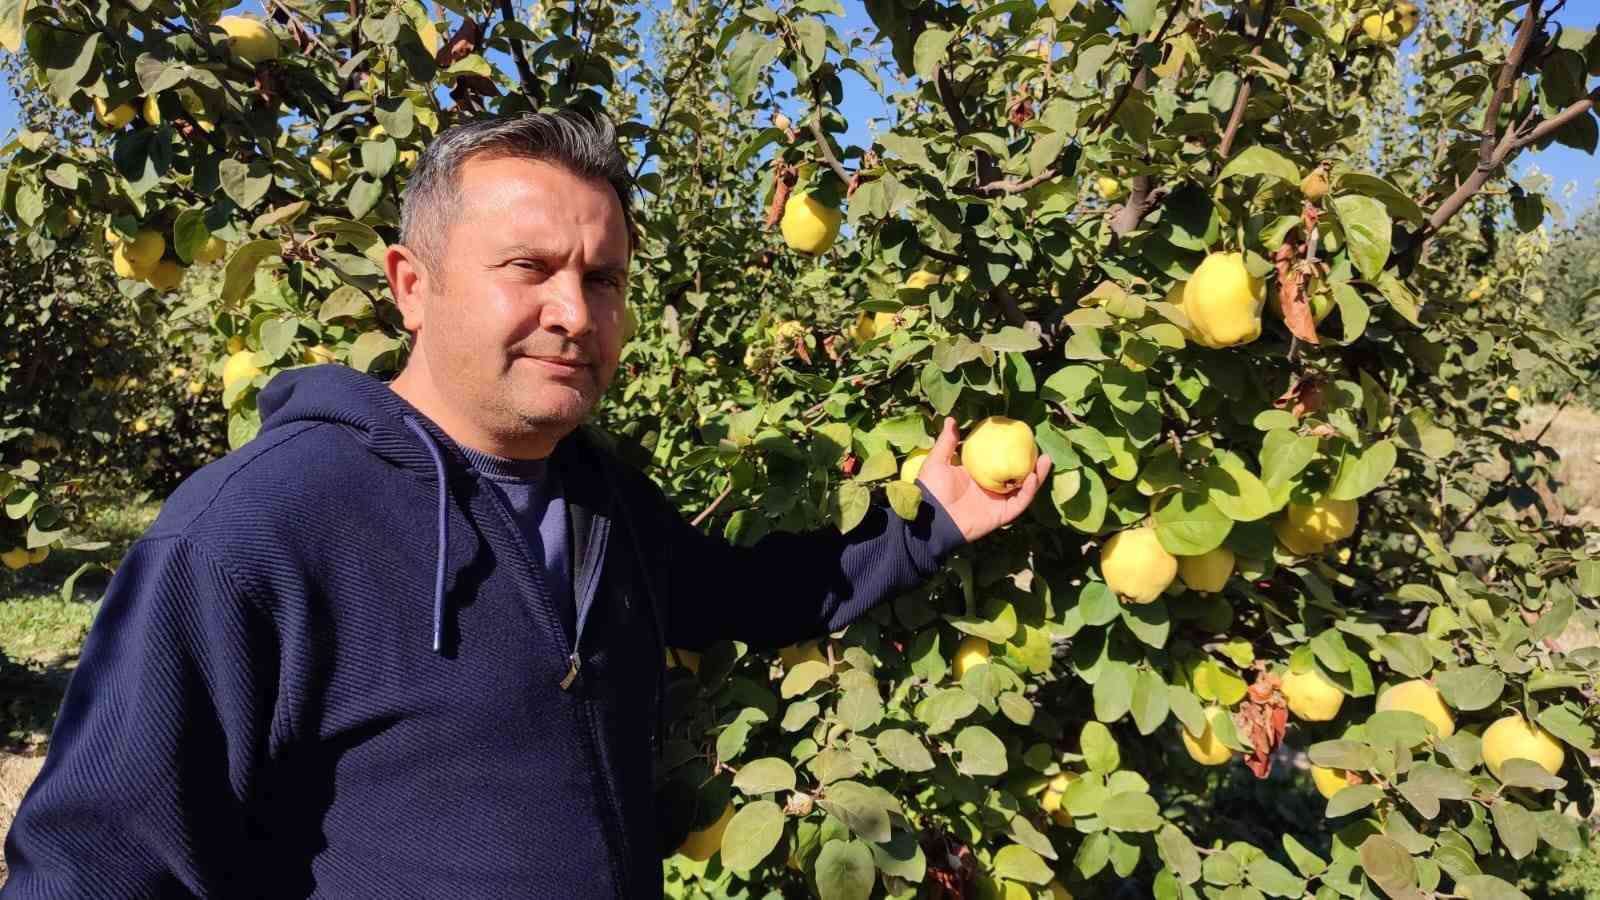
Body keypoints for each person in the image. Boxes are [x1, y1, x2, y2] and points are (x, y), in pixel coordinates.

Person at [1, 111, 1051, 898]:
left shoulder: (595, 496)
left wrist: (934, 524)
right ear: (412, 284)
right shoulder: (257, 531)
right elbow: (96, 860)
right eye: (529, 268)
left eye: (602, 278)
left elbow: (735, 594)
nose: (571, 311)